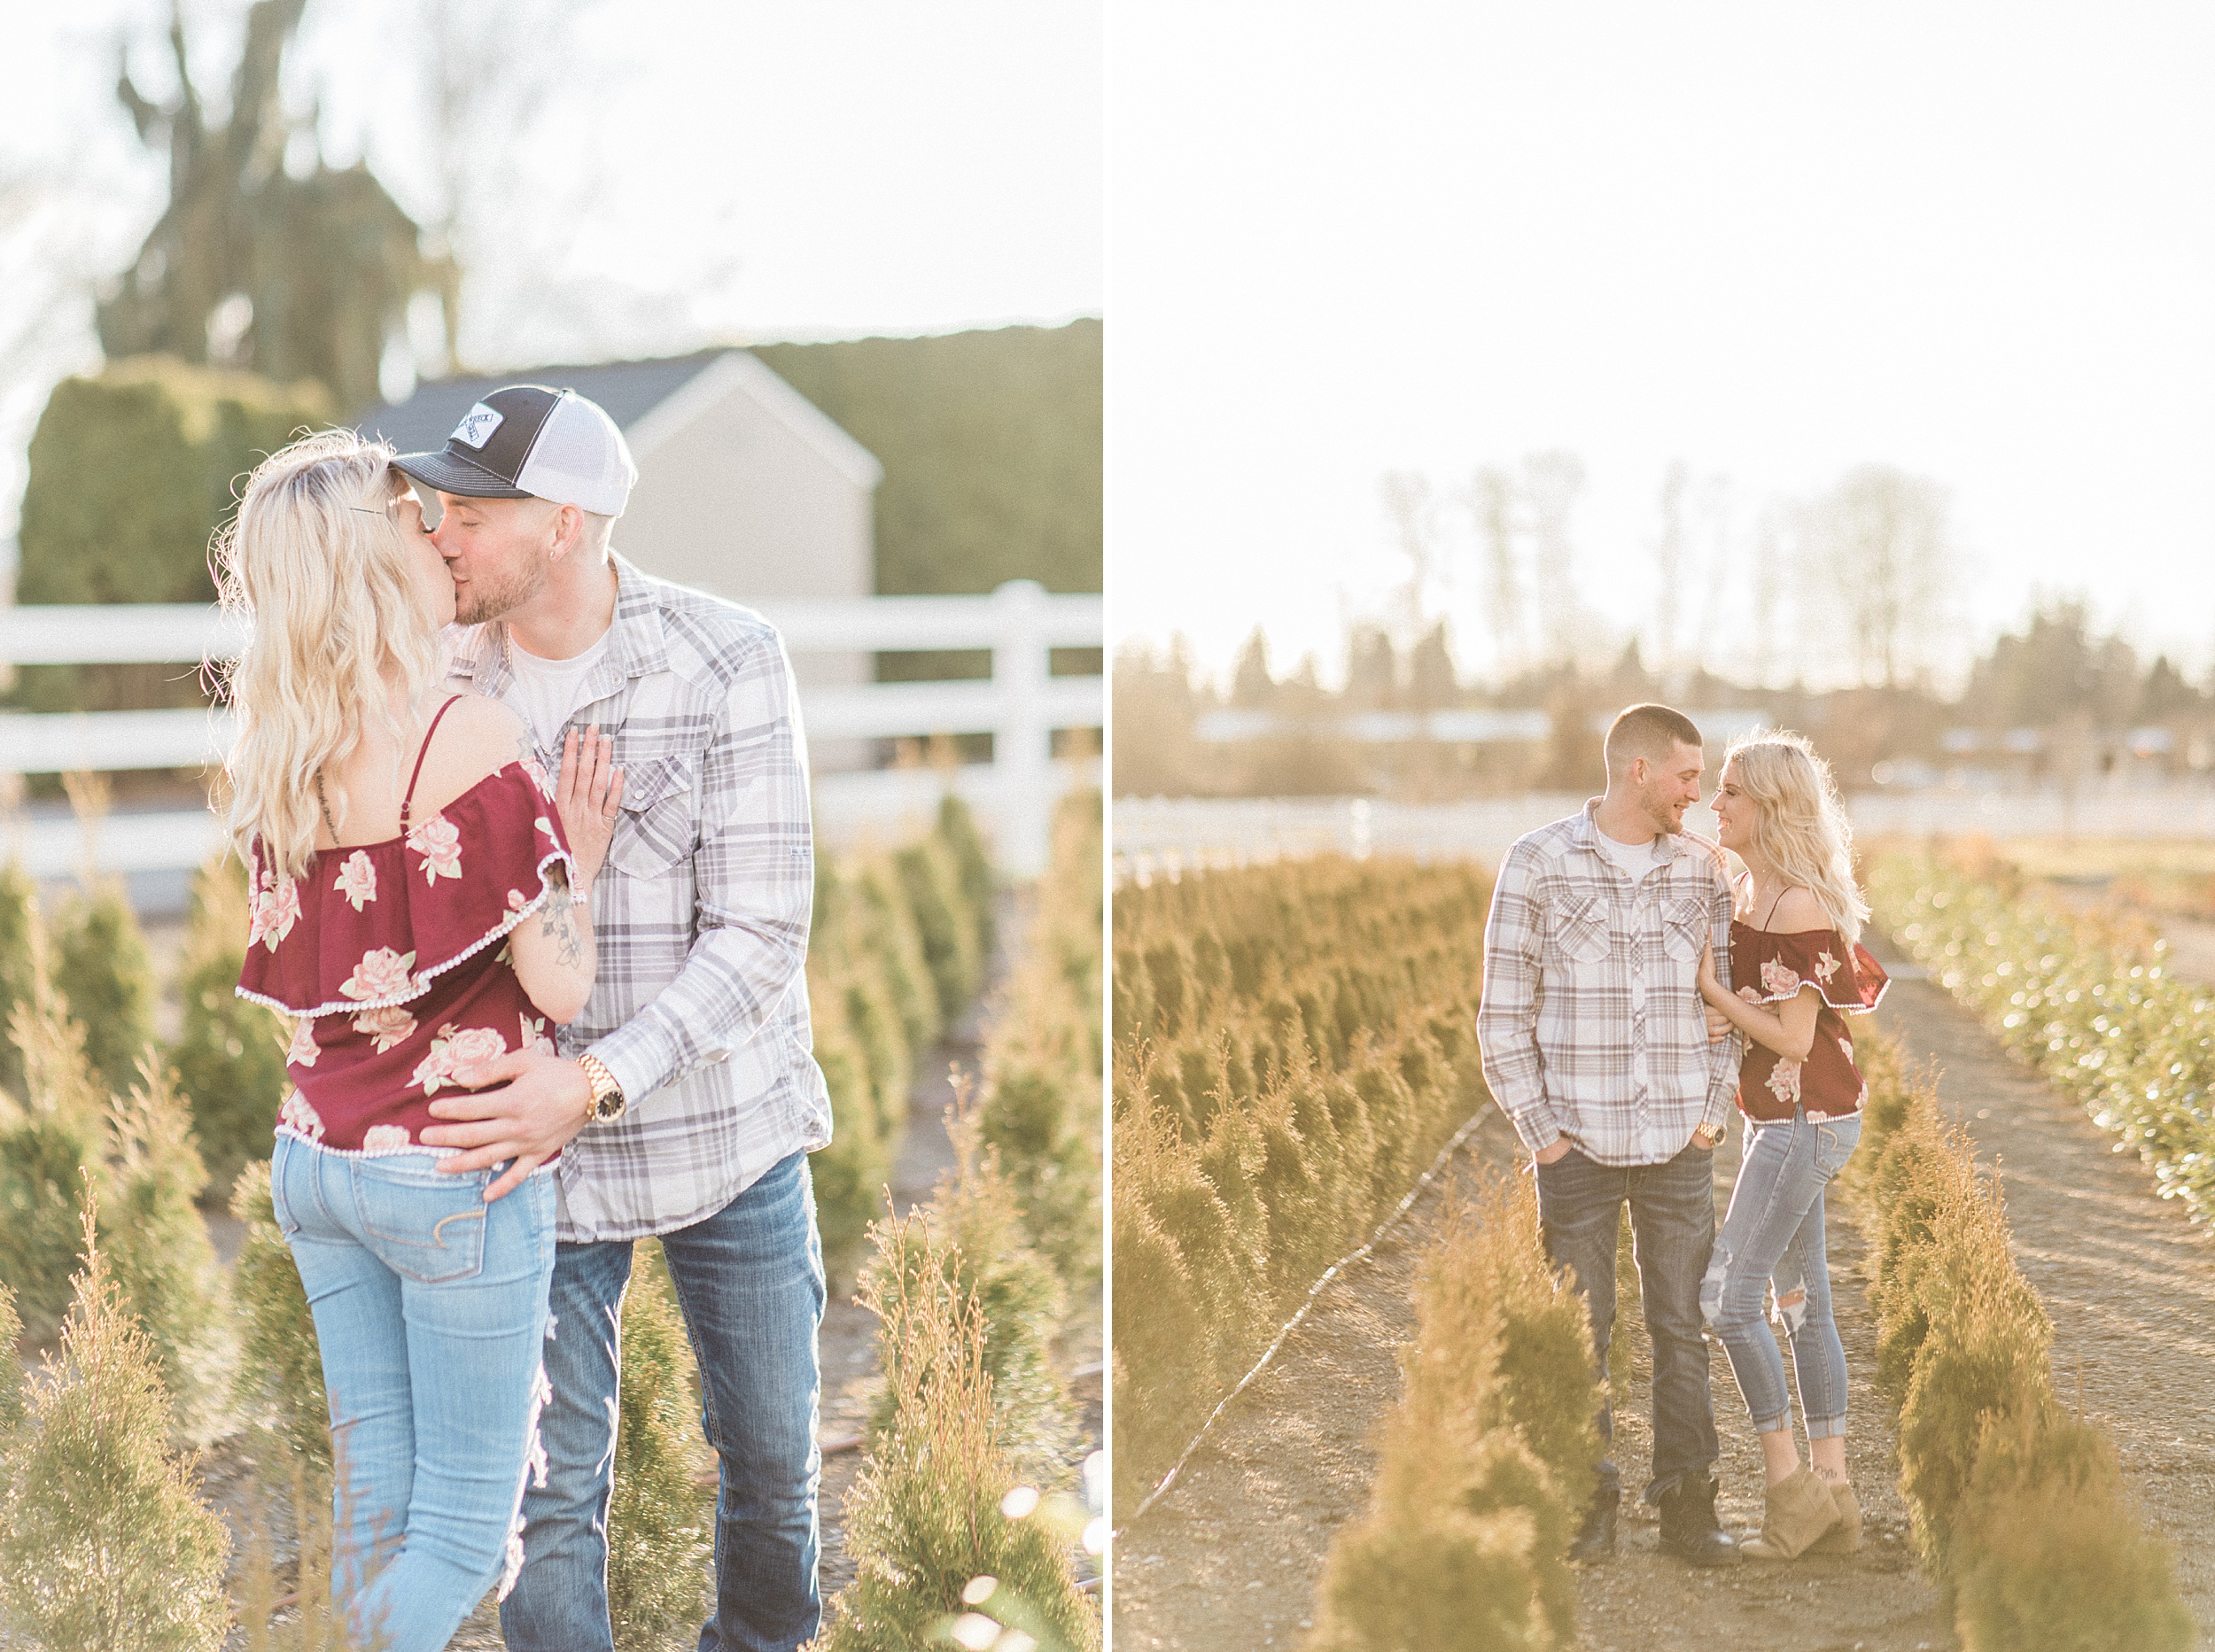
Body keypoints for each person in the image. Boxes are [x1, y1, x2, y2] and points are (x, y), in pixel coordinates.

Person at [390, 384, 832, 1652]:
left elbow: (759, 937)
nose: (442, 535)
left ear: (568, 523)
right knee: (548, 1494)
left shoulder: (728, 658)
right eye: (440, 507)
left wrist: (589, 1083)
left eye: (473, 512)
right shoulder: (434, 682)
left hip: (721, 1134)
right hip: (526, 1164)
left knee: (770, 1460)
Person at [222, 429, 612, 1651]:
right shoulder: (464, 738)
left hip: (315, 1164)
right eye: (408, 519)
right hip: (446, 1172)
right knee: (456, 1532)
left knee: (374, 1517)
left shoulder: (272, 752)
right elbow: (557, 984)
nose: (433, 531)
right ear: (370, 563)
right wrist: (577, 869)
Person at [1477, 702, 1743, 1566]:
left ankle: (1687, 1503)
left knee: (1680, 1325)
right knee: (1578, 1331)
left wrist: (1710, 1117)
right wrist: (1542, 1133)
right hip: (1576, 1147)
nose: (1696, 796)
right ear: (1637, 770)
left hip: (1677, 1141)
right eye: (1686, 777)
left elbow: (1729, 1005)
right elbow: (1501, 1017)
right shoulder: (1538, 862)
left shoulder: (1703, 871)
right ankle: (1584, 1499)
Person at [1694, 731, 1889, 1560]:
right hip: (1777, 1118)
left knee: (1725, 1300)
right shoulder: (1747, 890)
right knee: (1805, 1306)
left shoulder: (1800, 904)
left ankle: (1793, 1497)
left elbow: (1797, 1039)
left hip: (1804, 1122)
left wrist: (1714, 992)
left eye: (1731, 792)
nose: (1717, 803)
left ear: (1771, 806)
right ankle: (1837, 1493)